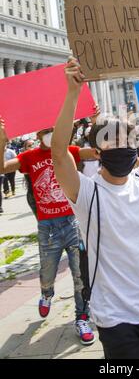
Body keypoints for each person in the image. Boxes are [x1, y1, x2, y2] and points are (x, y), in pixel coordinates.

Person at [51, 48, 139, 359]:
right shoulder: (86, 193)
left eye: (128, 139)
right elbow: (59, 154)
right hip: (116, 318)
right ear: (96, 152)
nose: (123, 145)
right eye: (112, 139)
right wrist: (73, 92)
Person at [0, 122, 100, 346]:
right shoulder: (29, 156)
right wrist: (2, 140)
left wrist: (96, 124)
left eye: (53, 130)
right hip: (48, 229)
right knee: (47, 272)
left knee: (79, 275)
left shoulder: (69, 150)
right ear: (38, 134)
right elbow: (3, 168)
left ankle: (82, 317)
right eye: (46, 131)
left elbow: (95, 151)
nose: (51, 135)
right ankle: (47, 293)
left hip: (72, 223)